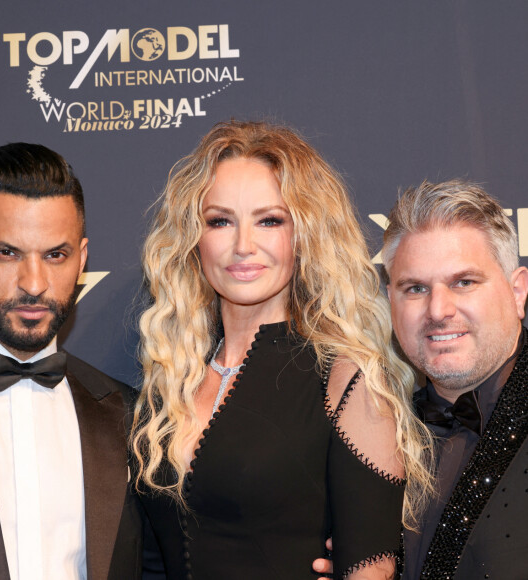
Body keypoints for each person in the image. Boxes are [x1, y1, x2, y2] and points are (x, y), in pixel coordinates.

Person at [130, 120, 434, 579]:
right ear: (194, 238)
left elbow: (372, 568)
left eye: (269, 221)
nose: (243, 246)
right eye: (220, 221)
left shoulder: (347, 379)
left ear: (305, 235)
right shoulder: (170, 381)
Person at [0, 143, 143, 580]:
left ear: (82, 259)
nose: (34, 284)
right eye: (8, 253)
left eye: (56, 255)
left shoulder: (124, 415)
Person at [383, 180, 528, 579]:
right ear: (391, 302)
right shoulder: (373, 430)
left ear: (517, 292)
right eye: (415, 288)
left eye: (463, 282)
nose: (438, 309)